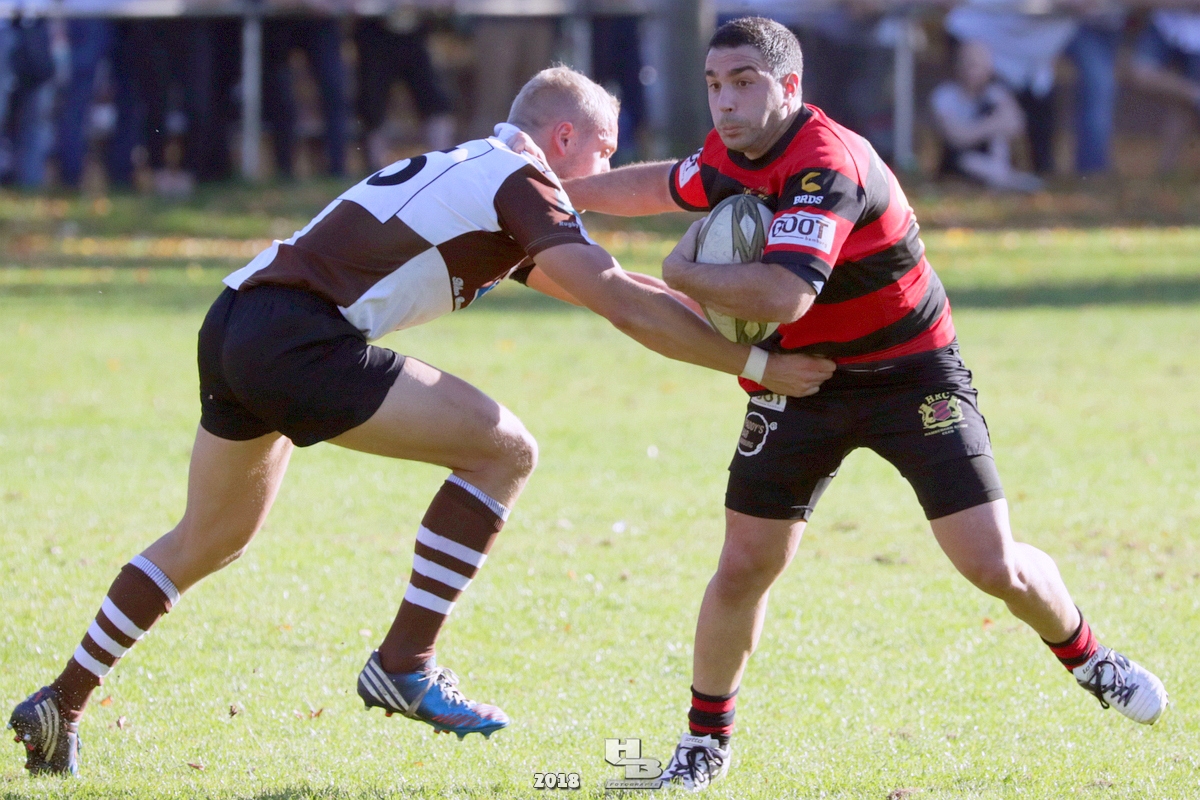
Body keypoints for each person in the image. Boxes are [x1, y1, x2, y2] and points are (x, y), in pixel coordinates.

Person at [5, 65, 832, 778]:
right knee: (504, 451)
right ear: (566, 137)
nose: (606, 170)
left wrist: (725, 323)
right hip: (297, 337)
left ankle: (60, 702)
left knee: (209, 538)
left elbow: (614, 289)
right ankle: (406, 663)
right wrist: (756, 365)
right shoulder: (521, 181)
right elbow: (620, 299)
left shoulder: (479, 172)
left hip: (235, 321)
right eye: (606, 150)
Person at [559, 17, 1169, 792]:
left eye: (743, 82)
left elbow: (783, 294)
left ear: (789, 86)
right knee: (744, 564)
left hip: (911, 376)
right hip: (800, 380)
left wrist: (684, 273)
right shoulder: (730, 152)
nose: (725, 101)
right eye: (713, 85)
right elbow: (660, 185)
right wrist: (555, 195)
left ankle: (1091, 658)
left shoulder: (826, 164)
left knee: (993, 565)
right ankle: (704, 744)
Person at [931, 40, 1043, 193]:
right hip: (960, 161)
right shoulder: (944, 96)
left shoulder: (996, 95)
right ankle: (1009, 180)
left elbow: (1016, 125)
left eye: (977, 65)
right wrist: (992, 123)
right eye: (968, 63)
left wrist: (974, 130)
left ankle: (1003, 177)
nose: (971, 71)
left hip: (993, 158)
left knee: (998, 137)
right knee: (971, 160)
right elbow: (955, 138)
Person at [1129, 10, 1200, 174]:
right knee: (1139, 72)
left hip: (1196, 38)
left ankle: (1165, 169)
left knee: (1182, 104)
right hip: (1164, 27)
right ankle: (1196, 94)